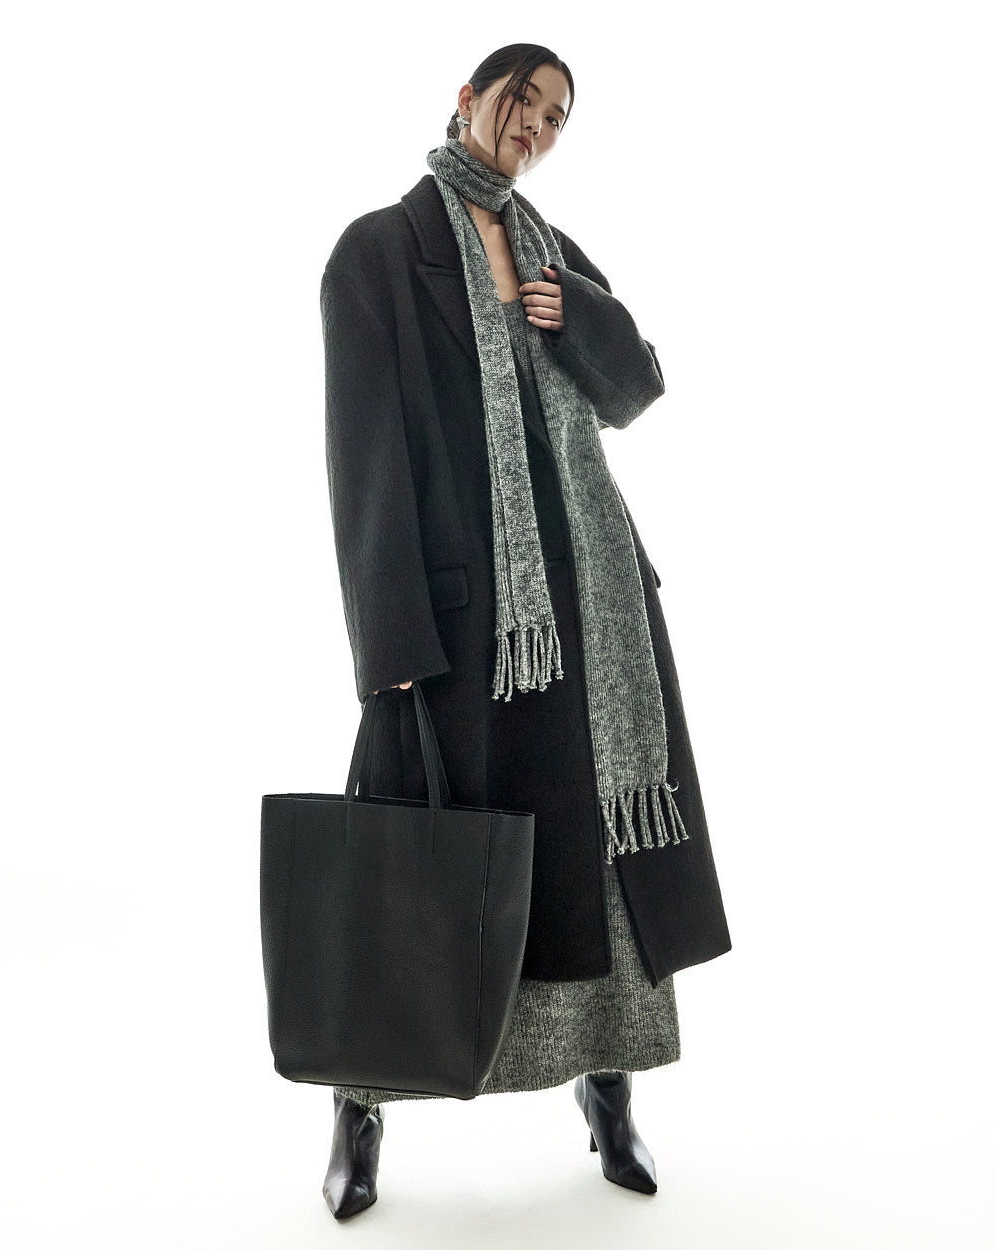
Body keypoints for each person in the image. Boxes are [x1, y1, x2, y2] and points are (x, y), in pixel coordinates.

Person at [318, 43, 732, 1220]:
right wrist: (390, 643)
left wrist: (577, 316)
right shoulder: (378, 252)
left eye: (555, 118)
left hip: (592, 609)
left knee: (595, 858)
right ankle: (361, 1100)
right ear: (467, 97)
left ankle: (609, 1087)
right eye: (523, 101)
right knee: (415, 868)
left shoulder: (553, 251)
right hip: (469, 627)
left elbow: (634, 388)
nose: (535, 128)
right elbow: (364, 453)